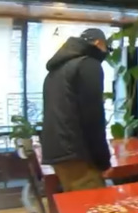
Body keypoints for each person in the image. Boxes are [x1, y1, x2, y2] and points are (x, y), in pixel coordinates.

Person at [41, 28, 112, 192]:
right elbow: (93, 117)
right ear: (99, 43)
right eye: (107, 48)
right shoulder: (88, 65)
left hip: (58, 152)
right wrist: (103, 161)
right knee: (94, 205)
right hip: (77, 154)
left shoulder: (56, 70)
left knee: (77, 203)